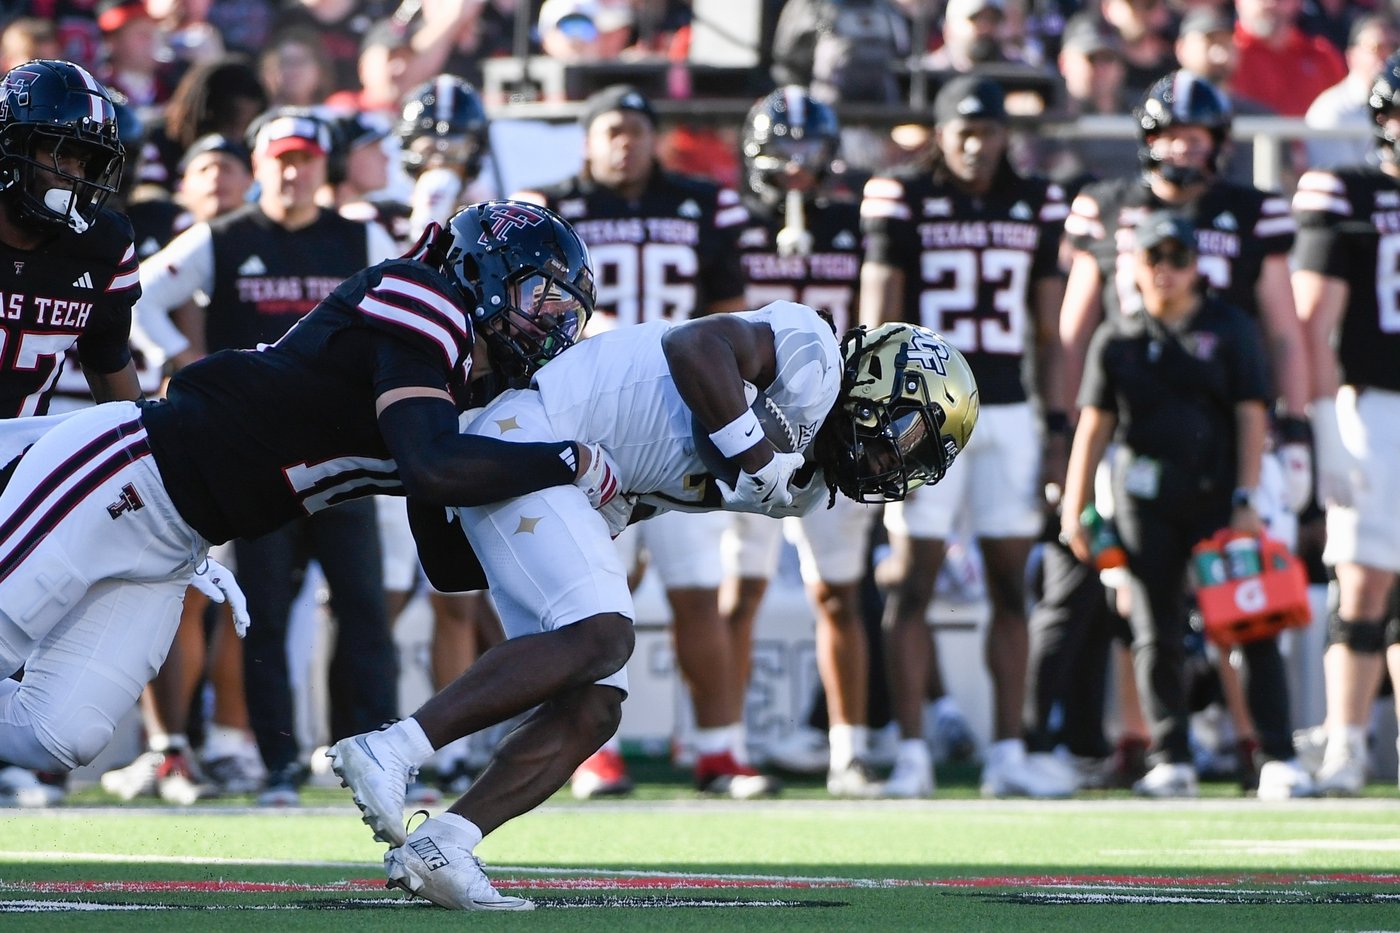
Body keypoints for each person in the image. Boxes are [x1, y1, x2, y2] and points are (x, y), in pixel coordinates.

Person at [329, 311, 980, 910]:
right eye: (905, 430)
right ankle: (391, 747)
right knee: (602, 635)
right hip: (531, 432)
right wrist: (755, 456)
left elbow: (667, 475)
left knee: (596, 702)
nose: (894, 459)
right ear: (877, 378)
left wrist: (617, 510)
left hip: (576, 480)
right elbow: (693, 346)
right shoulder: (812, 351)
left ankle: (443, 841)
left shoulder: (805, 493)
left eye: (920, 456)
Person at [0, 198, 614, 788]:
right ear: (484, 273)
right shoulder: (422, 296)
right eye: (541, 296)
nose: (552, 321)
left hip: (178, 538)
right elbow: (433, 467)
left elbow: (447, 563)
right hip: (125, 470)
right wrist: (569, 462)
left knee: (58, 733)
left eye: (565, 309)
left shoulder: (457, 392)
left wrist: (587, 518)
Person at [1049, 70, 1312, 787]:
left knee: (1247, 605)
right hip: (1134, 444)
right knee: (1143, 613)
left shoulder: (1246, 232)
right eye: (1170, 132)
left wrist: (1297, 429)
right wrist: (1061, 433)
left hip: (1228, 449)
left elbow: (1284, 335)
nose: (1182, 147)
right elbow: (1075, 335)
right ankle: (1157, 746)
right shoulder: (1106, 217)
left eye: (1196, 134)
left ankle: (1265, 747)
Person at [511, 84, 756, 798]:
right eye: (611, 129)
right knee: (589, 593)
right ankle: (592, 753)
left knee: (697, 590)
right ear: (586, 138)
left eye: (638, 128)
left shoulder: (702, 201)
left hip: (685, 419)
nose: (626, 141)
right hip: (590, 419)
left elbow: (731, 314)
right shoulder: (554, 203)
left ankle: (718, 748)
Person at [860, 75, 1076, 799]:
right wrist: (872, 418)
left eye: (988, 131)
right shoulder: (903, 194)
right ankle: (914, 752)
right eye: (963, 131)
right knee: (912, 584)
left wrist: (1057, 426)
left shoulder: (1038, 199)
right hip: (924, 416)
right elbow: (877, 314)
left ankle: (1007, 751)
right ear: (940, 133)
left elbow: (1050, 329)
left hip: (1011, 409)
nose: (976, 145)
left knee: (1011, 587)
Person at [1060, 209, 1284, 797]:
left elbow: (1251, 414)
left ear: (1195, 265)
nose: (1165, 271)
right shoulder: (1119, 337)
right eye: (1154, 258)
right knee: (1153, 630)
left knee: (1248, 621)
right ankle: (1171, 756)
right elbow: (1094, 426)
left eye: (1177, 259)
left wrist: (1246, 495)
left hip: (1217, 496)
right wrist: (1075, 504)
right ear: (1134, 265)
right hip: (1145, 501)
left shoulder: (1229, 327)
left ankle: (1278, 753)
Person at [729, 86, 882, 796]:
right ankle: (723, 742)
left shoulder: (855, 224)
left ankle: (846, 750)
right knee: (741, 589)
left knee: (839, 593)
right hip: (749, 425)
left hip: (832, 429)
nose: (794, 164)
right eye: (782, 147)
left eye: (807, 148)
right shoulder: (731, 222)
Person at [0, 59, 143, 808]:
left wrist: (157, 454)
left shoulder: (102, 241)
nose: (72, 172)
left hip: (23, 462)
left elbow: (110, 360)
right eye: (57, 150)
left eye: (86, 157)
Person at [1292, 52, 1400, 795]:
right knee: (1360, 584)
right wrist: (1326, 431)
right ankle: (1346, 742)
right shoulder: (1349, 190)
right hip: (1372, 405)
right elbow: (1310, 322)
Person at [1305, 15, 1400, 171]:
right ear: (1351, 57)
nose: (1387, 56)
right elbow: (1346, 184)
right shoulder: (1331, 110)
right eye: (1375, 47)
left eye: (1394, 48)